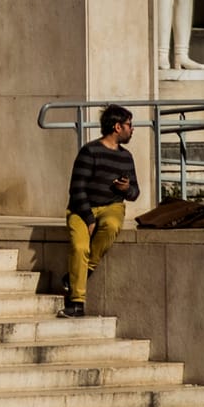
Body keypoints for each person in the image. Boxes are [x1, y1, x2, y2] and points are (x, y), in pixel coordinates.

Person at [64, 105, 140, 317]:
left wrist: (126, 189)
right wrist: (88, 218)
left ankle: (85, 270)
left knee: (112, 224)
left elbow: (135, 193)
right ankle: (76, 303)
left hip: (112, 206)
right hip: (82, 208)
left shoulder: (127, 157)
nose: (132, 129)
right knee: (80, 247)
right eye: (129, 125)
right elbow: (76, 189)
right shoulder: (89, 152)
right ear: (117, 127)